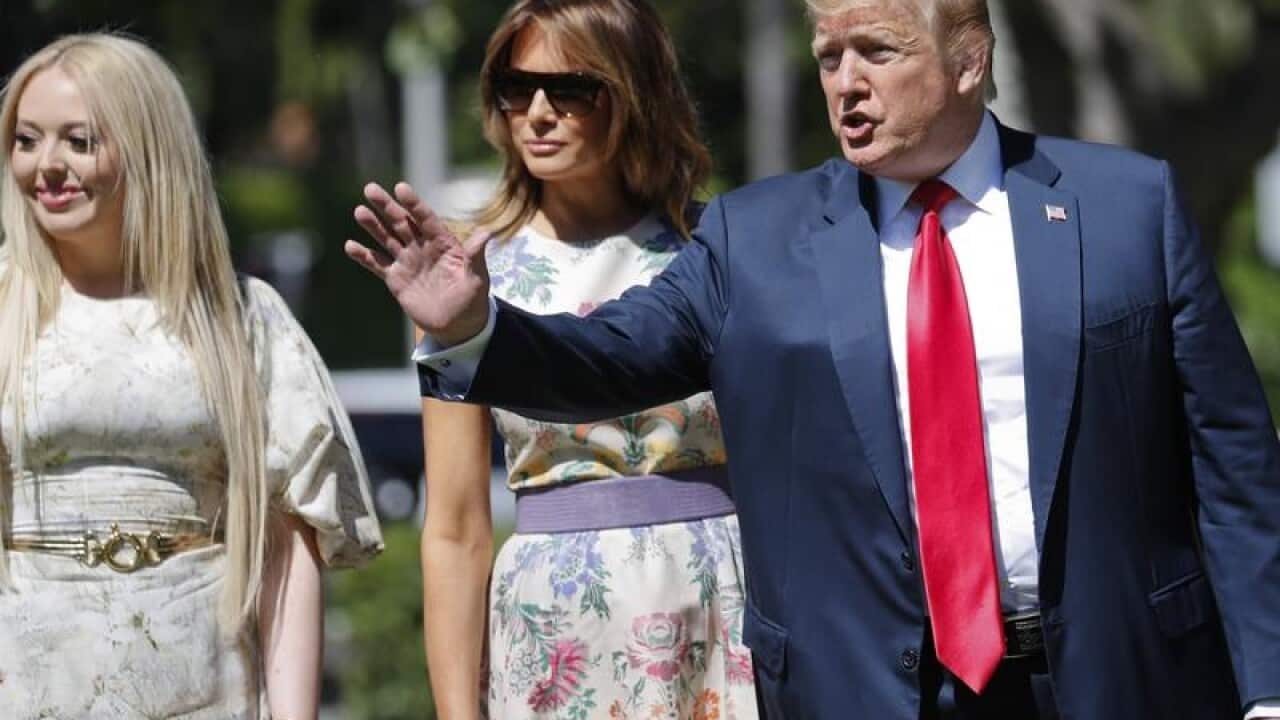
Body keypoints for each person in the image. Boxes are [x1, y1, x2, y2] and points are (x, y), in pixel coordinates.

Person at [345, 0, 1280, 717]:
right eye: (828, 56)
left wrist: (1267, 686)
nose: (845, 82)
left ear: (968, 60)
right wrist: (476, 327)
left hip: (1116, 680)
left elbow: (1236, 475)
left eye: (876, 50)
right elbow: (607, 357)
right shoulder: (756, 235)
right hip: (868, 690)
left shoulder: (1126, 208)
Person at [0, 34, 383, 719]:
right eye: (26, 140)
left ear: (150, 151)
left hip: (205, 690)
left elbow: (286, 550)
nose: (46, 166)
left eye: (79, 141)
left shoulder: (243, 320)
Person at [414, 2, 757, 719]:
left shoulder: (717, 248)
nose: (537, 112)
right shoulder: (472, 273)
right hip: (553, 626)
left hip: (717, 607)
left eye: (569, 89)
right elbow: (454, 526)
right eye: (515, 87)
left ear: (633, 94)